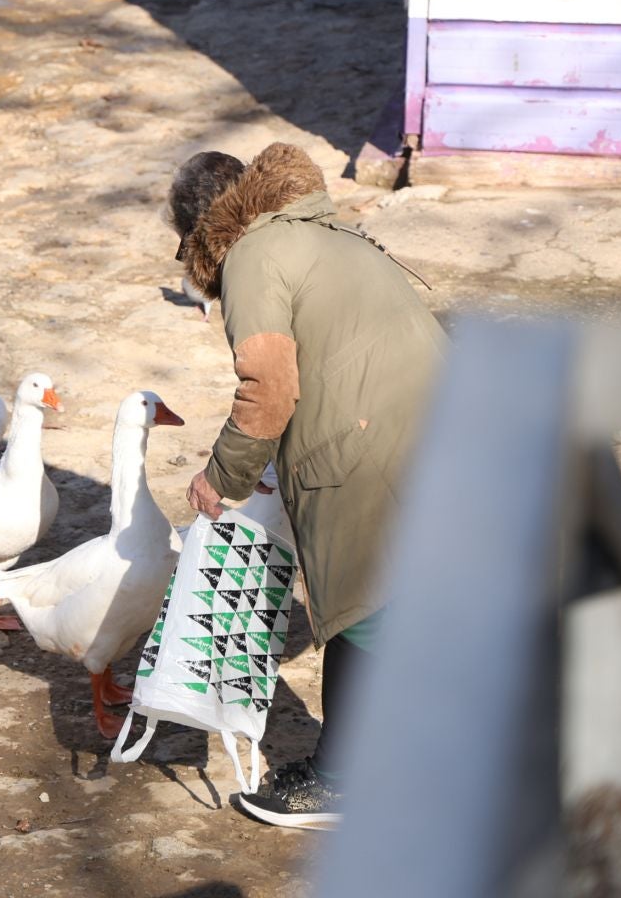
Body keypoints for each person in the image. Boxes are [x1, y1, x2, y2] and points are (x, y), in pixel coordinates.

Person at [168, 142, 444, 829]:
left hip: (372, 435)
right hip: (434, 417)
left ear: (201, 231)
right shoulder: (322, 229)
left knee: (360, 606)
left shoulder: (255, 255)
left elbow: (268, 385)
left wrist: (220, 476)